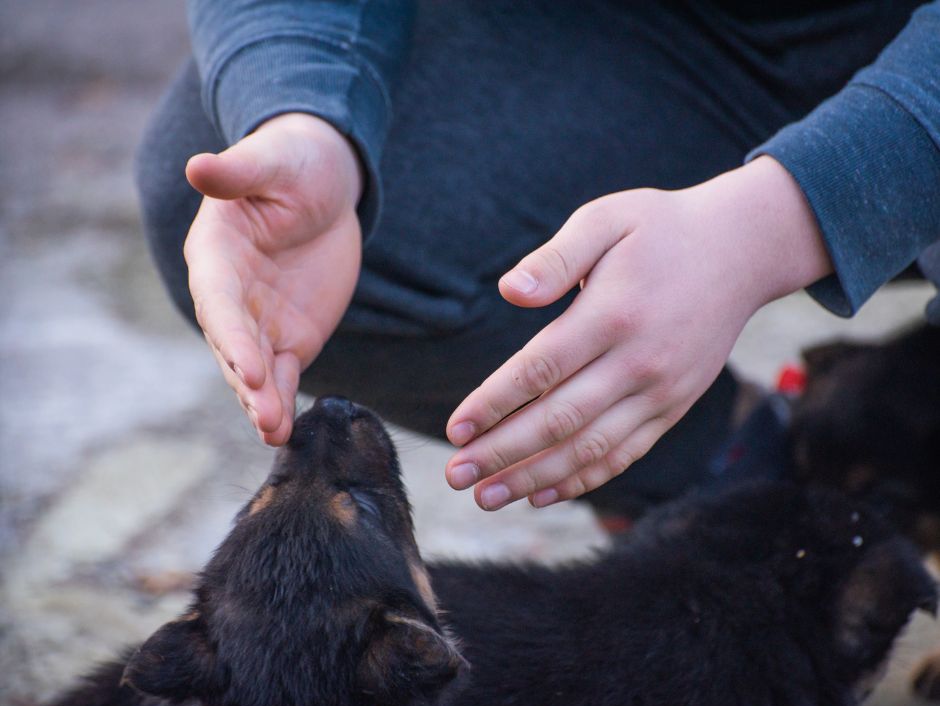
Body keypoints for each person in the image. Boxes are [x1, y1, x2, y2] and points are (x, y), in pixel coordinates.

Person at [137, 0, 940, 519]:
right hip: (673, 40)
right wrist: (307, 113)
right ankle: (751, 479)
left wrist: (779, 220)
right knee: (229, 191)